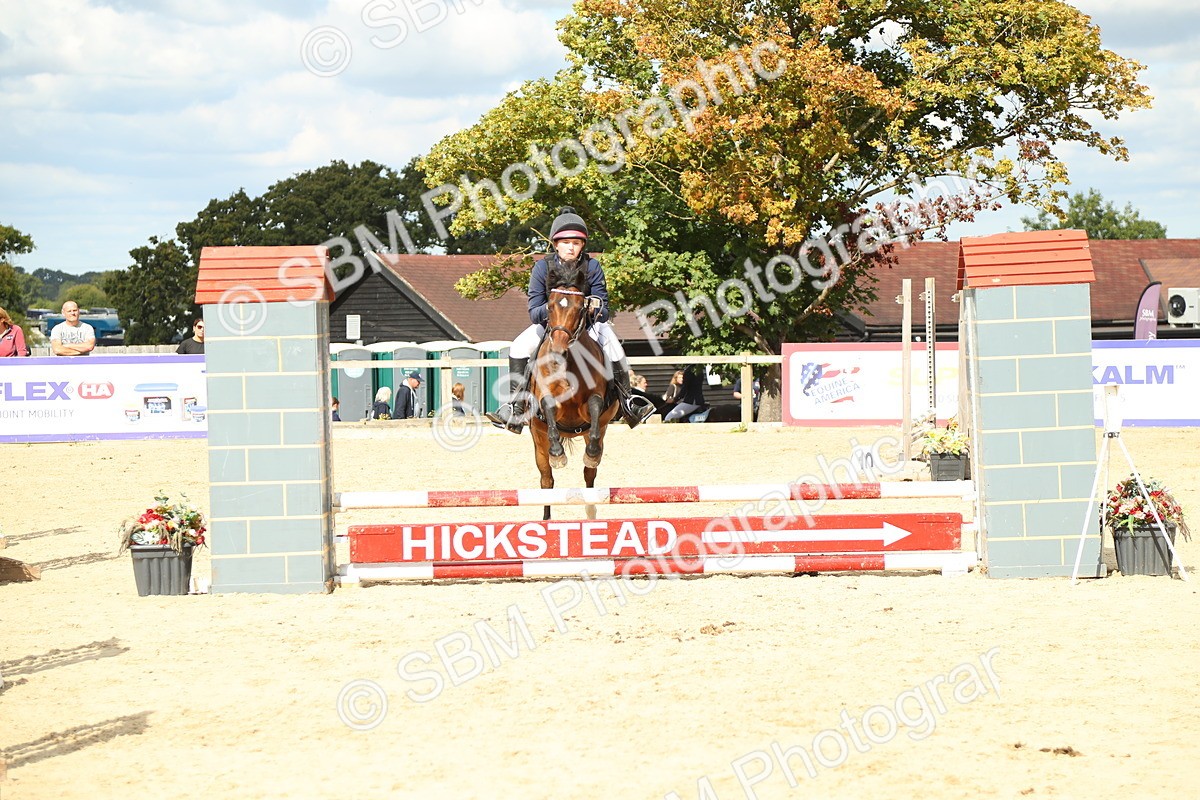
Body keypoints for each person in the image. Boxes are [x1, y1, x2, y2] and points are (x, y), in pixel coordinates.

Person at [485, 206, 655, 433]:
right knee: (517, 347)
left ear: (582, 245)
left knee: (615, 349)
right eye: (566, 242)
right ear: (556, 244)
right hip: (551, 326)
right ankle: (516, 408)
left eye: (576, 243)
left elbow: (604, 308)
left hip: (587, 326)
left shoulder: (592, 266)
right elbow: (534, 311)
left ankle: (628, 404)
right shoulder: (542, 268)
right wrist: (557, 313)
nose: (571, 247)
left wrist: (588, 310)